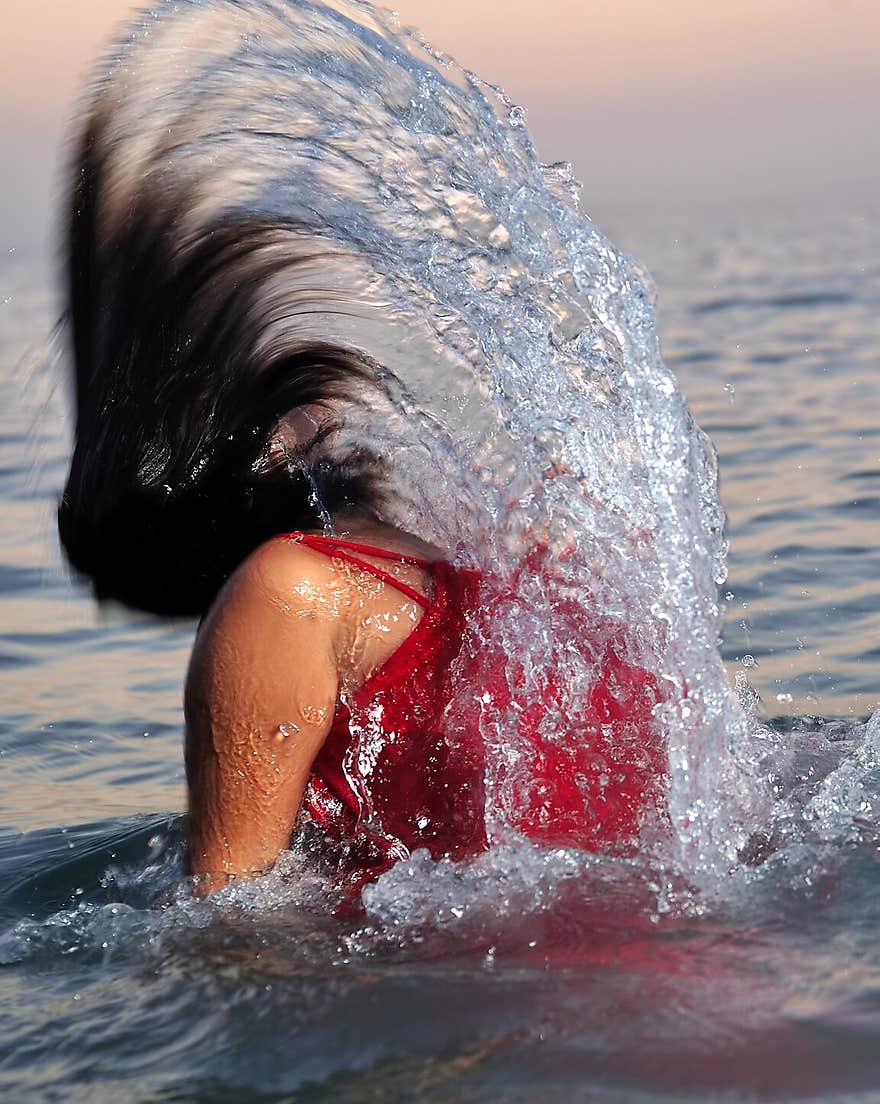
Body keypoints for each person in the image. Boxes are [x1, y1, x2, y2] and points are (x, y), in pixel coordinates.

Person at [57, 14, 668, 915]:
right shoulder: (528, 558)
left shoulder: (287, 598)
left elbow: (231, 927)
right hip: (689, 979)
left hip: (505, 1009)